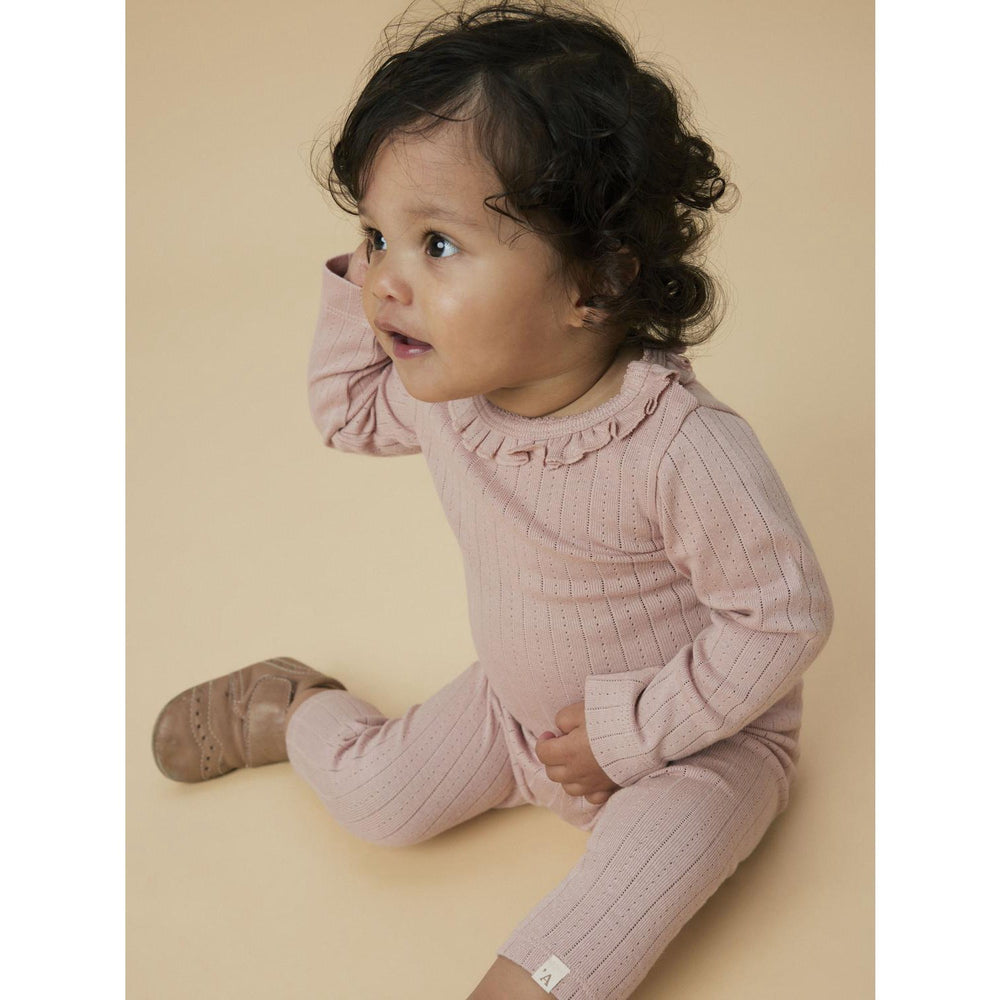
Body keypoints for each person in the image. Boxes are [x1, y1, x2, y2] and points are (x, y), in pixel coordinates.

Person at [151, 2, 834, 997]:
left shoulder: (679, 447)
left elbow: (783, 619)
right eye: (375, 235)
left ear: (595, 282)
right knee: (379, 802)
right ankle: (291, 707)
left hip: (697, 745)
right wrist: (375, 266)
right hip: (517, 713)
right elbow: (346, 412)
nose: (386, 282)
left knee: (590, 933)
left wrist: (630, 732)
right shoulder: (451, 392)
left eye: (436, 244)